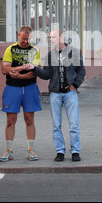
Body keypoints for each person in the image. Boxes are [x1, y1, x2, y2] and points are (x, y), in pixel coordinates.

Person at [25, 29, 86, 162]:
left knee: (74, 124)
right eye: (50, 37)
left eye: (53, 37)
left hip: (70, 93)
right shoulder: (50, 55)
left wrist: (75, 85)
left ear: (61, 37)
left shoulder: (73, 52)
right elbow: (47, 75)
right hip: (55, 94)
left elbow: (81, 70)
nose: (51, 39)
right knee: (56, 125)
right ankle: (60, 151)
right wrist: (34, 69)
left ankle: (75, 151)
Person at [0, 26, 42, 162]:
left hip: (30, 87)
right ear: (18, 35)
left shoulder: (35, 51)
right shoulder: (10, 49)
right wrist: (22, 67)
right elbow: (4, 69)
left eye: (28, 39)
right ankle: (8, 151)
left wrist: (19, 76)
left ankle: (31, 150)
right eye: (23, 38)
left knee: (29, 120)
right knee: (11, 121)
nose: (25, 41)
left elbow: (34, 71)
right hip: (12, 88)